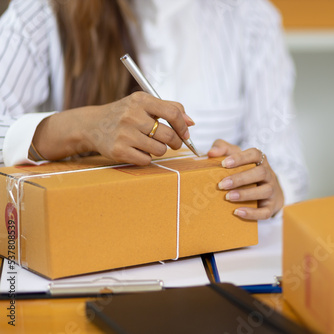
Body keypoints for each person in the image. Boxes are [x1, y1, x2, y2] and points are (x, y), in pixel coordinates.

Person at [0, 0, 308, 220]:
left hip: (219, 264)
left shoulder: (253, 18)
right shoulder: (42, 12)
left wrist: (271, 189)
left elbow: (288, 172)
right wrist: (81, 128)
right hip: (88, 257)